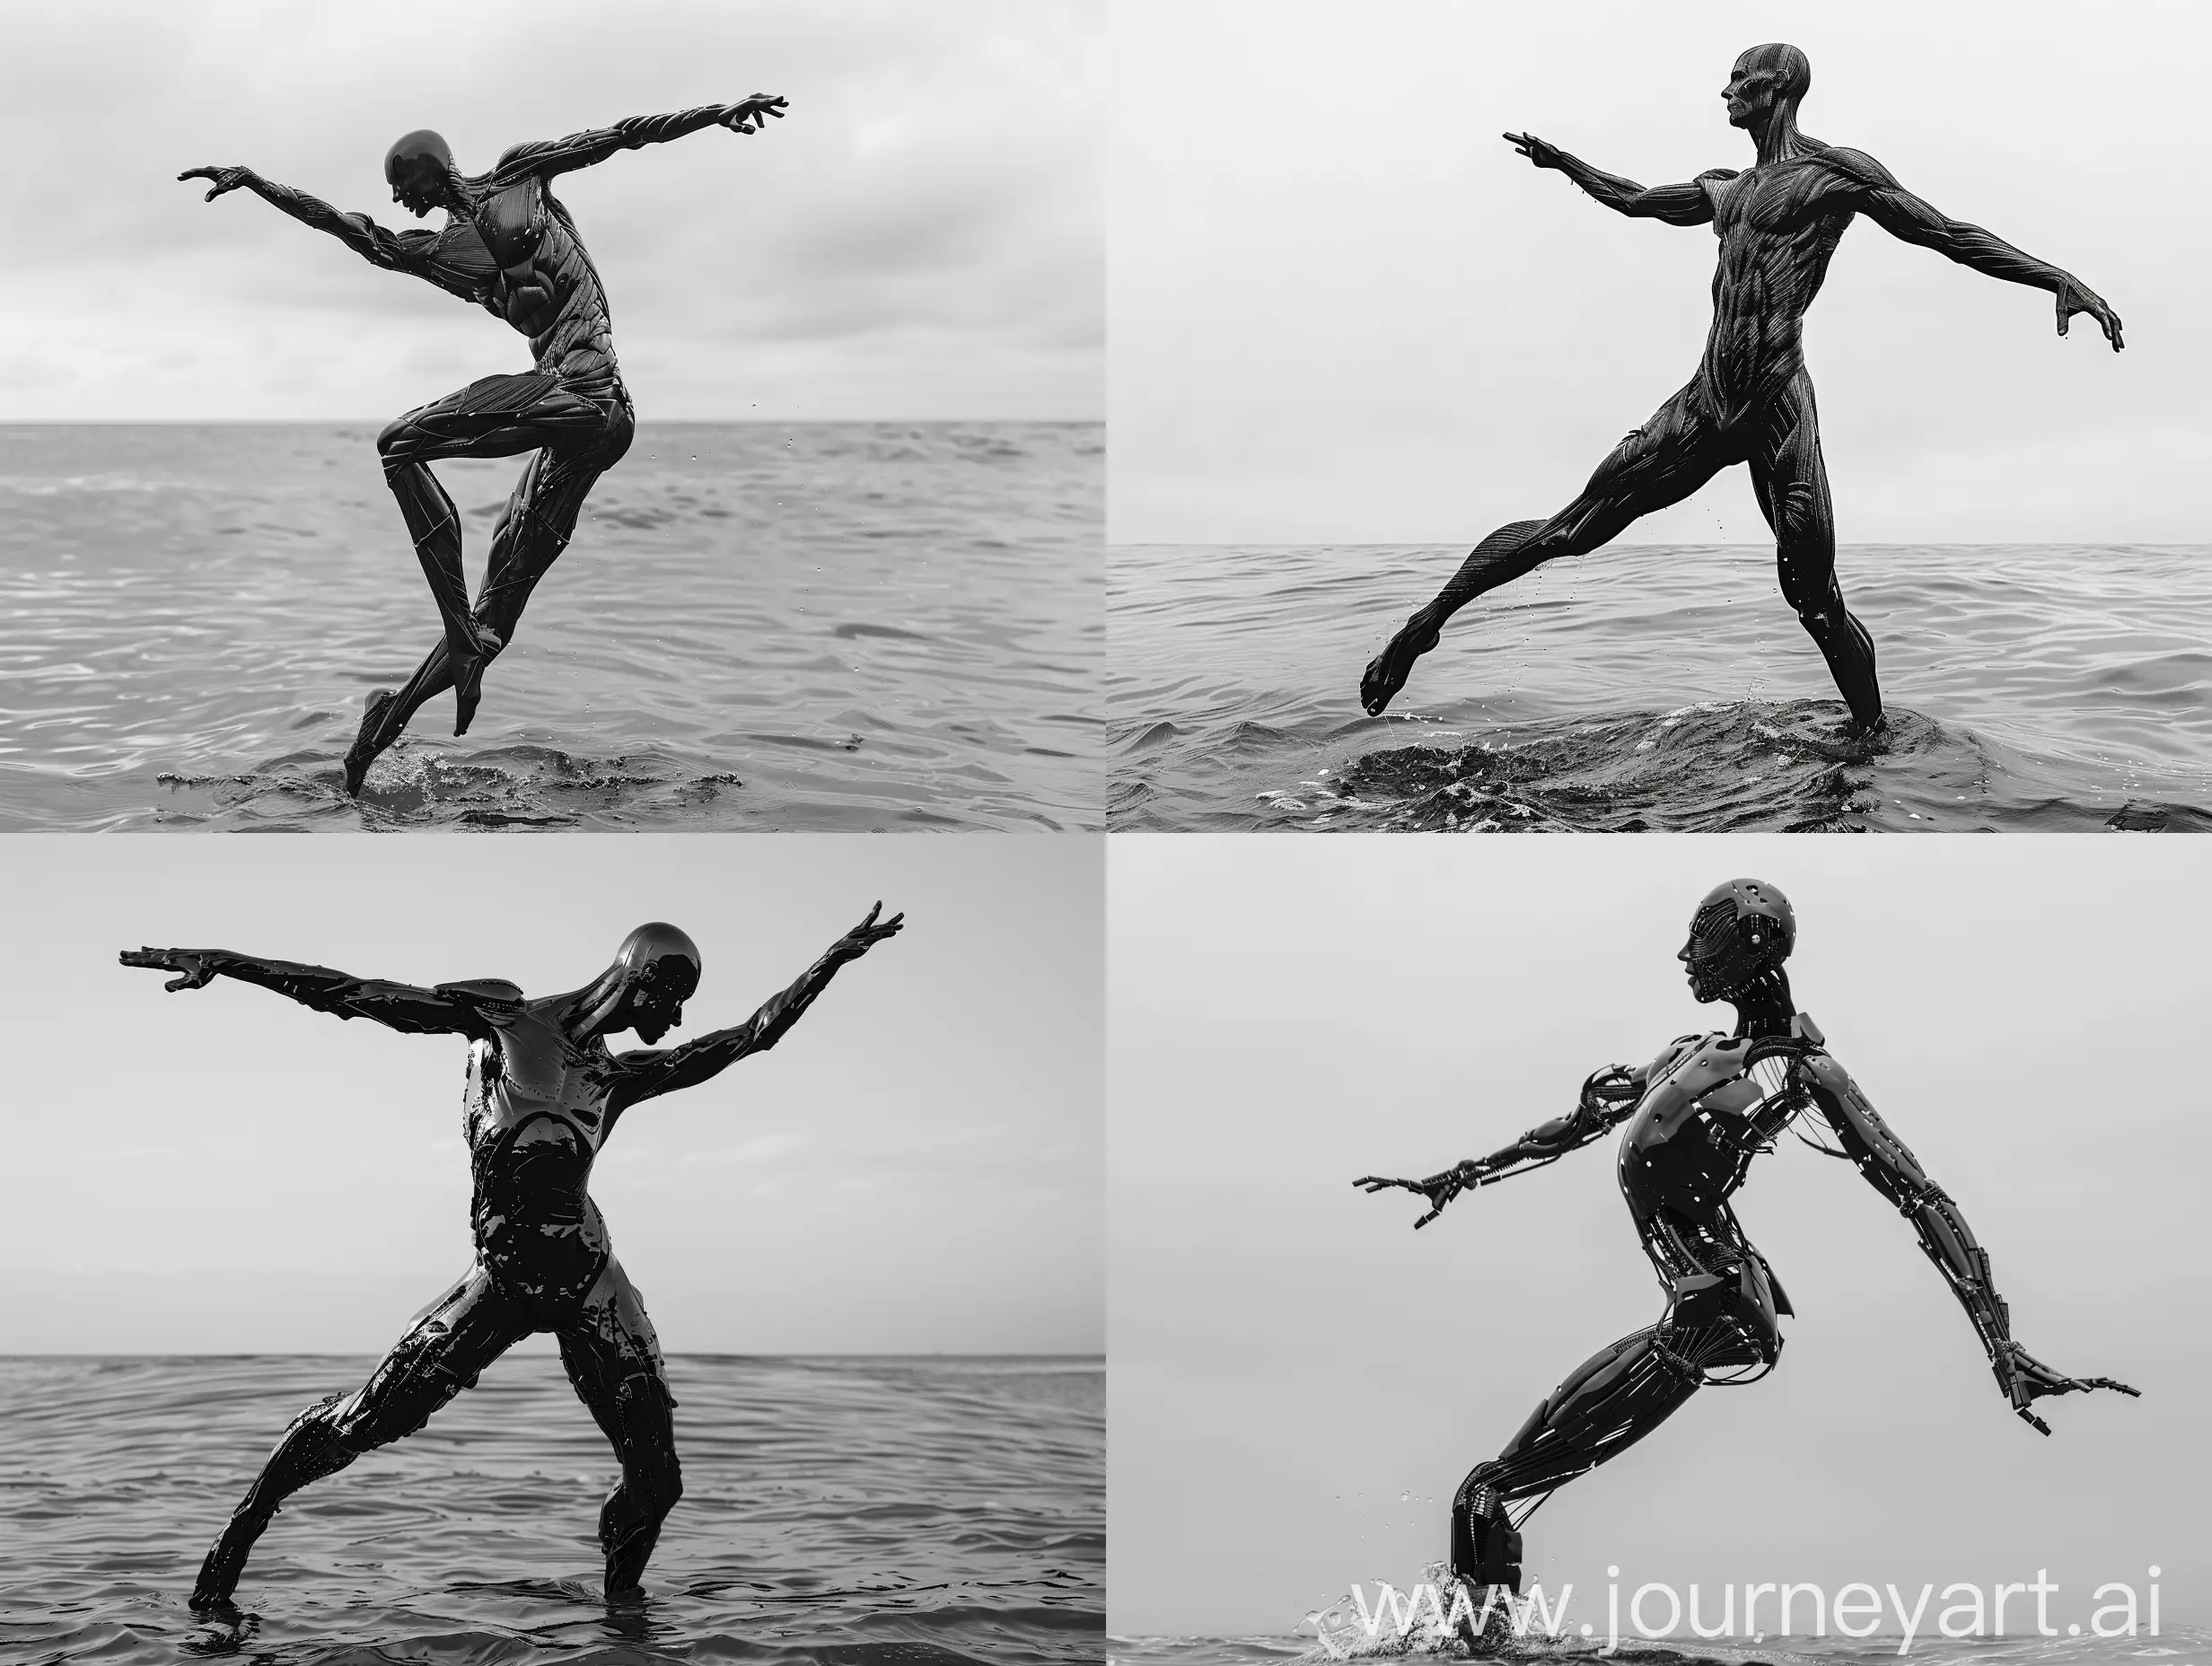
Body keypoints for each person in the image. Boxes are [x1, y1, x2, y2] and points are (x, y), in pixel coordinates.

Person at [1354, 878, 2136, 1595]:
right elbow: (1575, 1128)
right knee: (1486, 1494)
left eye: (1706, 936)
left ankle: (1478, 1642)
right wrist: (1459, 1175)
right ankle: (1480, 1638)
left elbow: (1919, 1194)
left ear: (1747, 946)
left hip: (1717, 1316)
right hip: (1688, 1312)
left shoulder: (1800, 1072)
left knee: (1486, 1490)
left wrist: (2002, 1343)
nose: (1688, 954)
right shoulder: (1688, 1052)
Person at [120, 905, 902, 1609]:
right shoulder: (499, 1018)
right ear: (634, 977)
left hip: (591, 1281)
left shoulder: (620, 1077)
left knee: (658, 1481)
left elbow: (750, 1038)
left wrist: (833, 959)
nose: (676, 1017)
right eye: (670, 997)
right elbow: (354, 992)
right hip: (499, 1280)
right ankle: (231, 1552)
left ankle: (621, 1618)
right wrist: (225, 959)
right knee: (359, 1424)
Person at [1358, 44, 2124, 730]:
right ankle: (1428, 620)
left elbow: (1947, 234)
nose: (1725, 90)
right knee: (1572, 528)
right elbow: (1634, 199)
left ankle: (1871, 736)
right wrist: (1566, 165)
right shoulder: (1724, 190)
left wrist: (2054, 276)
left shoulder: (1834, 174)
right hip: (1704, 404)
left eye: (1739, 79)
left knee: (1815, 599)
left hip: (1777, 408)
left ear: (1777, 89)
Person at [178, 95, 787, 794]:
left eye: (400, 184)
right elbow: (344, 226)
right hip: (571, 419)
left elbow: (621, 137)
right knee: (494, 614)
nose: (396, 199)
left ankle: (458, 636)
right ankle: (379, 732)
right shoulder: (439, 256)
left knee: (399, 445)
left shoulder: (520, 176)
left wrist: (718, 114)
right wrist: (257, 183)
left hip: (595, 402)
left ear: (429, 171)